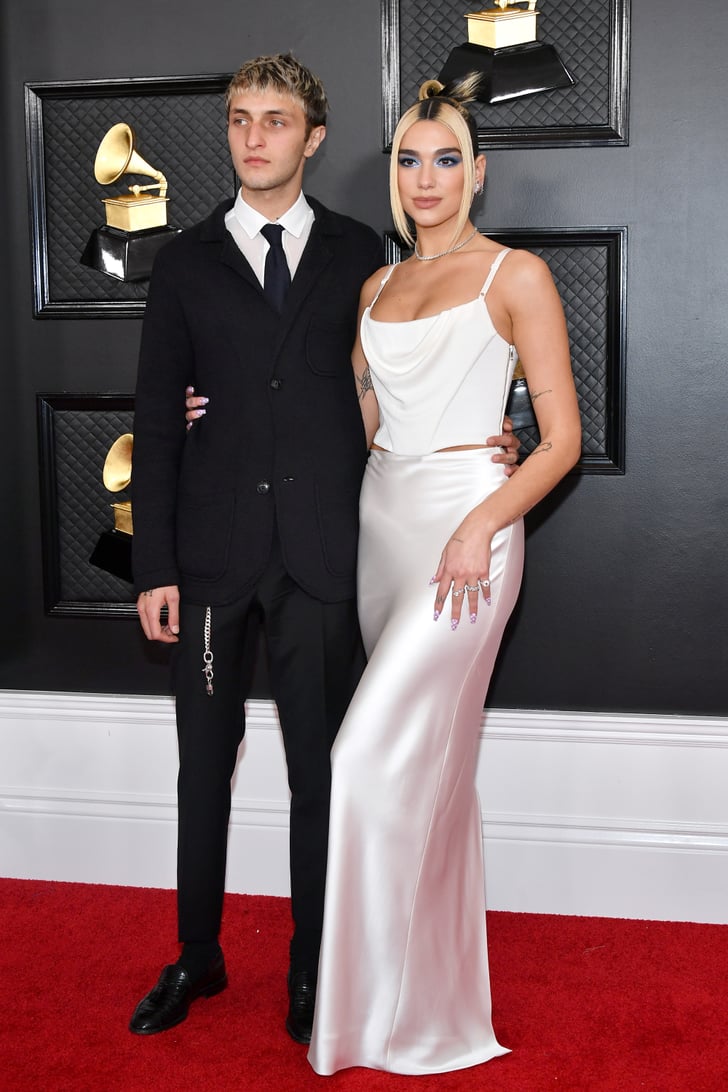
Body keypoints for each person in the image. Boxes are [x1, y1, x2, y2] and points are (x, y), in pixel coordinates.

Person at [129, 55, 520, 1044]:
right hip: (212, 558)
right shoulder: (181, 263)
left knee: (321, 773)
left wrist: (493, 431)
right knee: (199, 767)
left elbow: (412, 371)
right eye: (238, 119)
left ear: (311, 139)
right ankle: (195, 955)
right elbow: (155, 419)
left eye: (275, 120)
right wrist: (155, 568)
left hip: (324, 556)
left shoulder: (364, 258)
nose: (253, 135)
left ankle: (313, 970)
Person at [307, 76, 582, 1076]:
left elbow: (559, 443)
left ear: (477, 172)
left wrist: (477, 524)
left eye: (447, 157)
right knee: (428, 775)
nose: (427, 178)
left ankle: (380, 1016)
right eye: (410, 160)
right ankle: (416, 998)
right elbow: (357, 423)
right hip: (382, 528)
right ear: (394, 175)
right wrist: (228, 414)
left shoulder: (515, 276)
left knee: (362, 762)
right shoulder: (375, 290)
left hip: (469, 533)